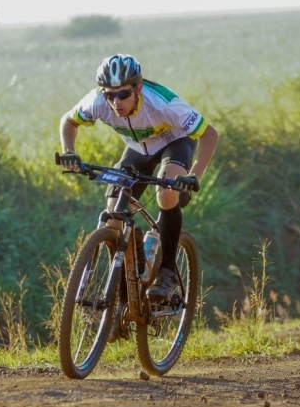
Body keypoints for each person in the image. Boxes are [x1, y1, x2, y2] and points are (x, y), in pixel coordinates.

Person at [58, 53, 219, 304]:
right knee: (114, 215)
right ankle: (125, 293)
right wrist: (69, 151)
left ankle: (166, 272)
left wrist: (193, 175)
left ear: (138, 88)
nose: (116, 101)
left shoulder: (162, 103)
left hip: (174, 142)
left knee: (166, 195)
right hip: (138, 148)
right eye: (110, 94)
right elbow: (68, 121)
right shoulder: (97, 101)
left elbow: (209, 134)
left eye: (123, 94)